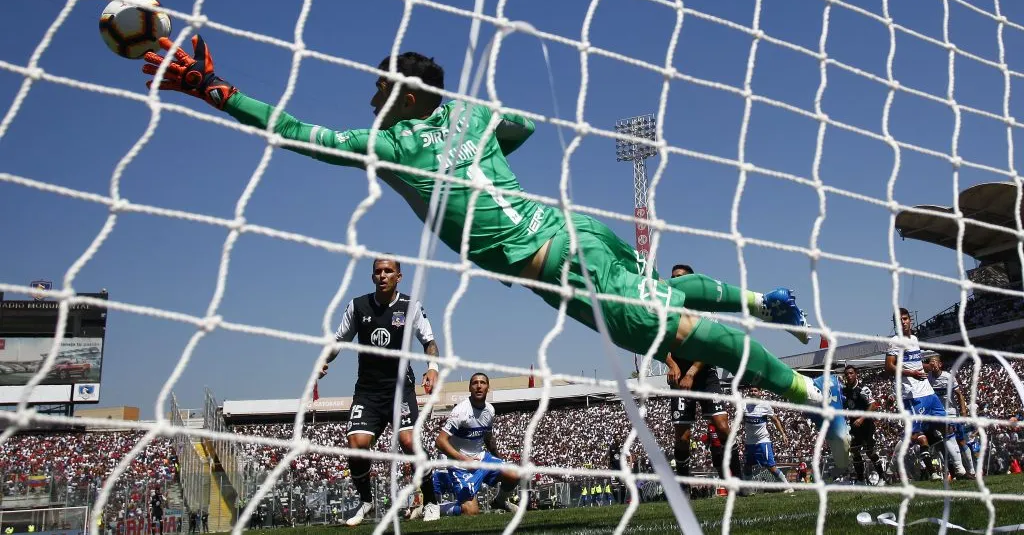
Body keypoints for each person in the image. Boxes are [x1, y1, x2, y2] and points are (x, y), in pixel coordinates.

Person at [139, 37, 824, 407]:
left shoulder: (392, 146)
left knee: (668, 333)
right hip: (565, 233)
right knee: (663, 298)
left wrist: (213, 89)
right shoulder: (471, 111)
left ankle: (808, 390)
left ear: (406, 92)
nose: (371, 97)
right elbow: (522, 126)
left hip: (553, 257)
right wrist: (483, 154)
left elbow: (297, 131)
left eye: (379, 87)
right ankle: (765, 299)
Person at [319, 257, 441, 526]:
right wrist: (325, 359)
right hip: (368, 392)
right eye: (378, 271)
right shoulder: (358, 305)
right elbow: (340, 339)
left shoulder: (410, 306)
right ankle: (366, 502)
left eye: (388, 271)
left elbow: (429, 341)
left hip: (400, 389)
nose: (383, 275)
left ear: (399, 276)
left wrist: (432, 367)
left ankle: (431, 499)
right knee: (357, 446)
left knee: (410, 442)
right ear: (373, 277)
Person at [665, 263, 743, 495]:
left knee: (721, 427)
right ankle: (684, 487)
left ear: (691, 282)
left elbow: (710, 346)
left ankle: (736, 480)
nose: (675, 281)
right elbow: (659, 340)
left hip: (705, 372)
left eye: (680, 278)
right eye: (673, 277)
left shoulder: (706, 311)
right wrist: (671, 365)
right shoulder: (666, 307)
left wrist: (691, 372)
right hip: (680, 373)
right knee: (682, 436)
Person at [422, 373, 519, 521]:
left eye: (483, 383)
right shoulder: (460, 411)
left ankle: (499, 502)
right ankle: (436, 507)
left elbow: (488, 437)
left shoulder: (490, 410)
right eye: (475, 383)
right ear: (470, 388)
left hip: (481, 459)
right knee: (471, 511)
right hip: (460, 465)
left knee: (514, 473)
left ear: (488, 388)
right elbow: (440, 441)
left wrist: (498, 459)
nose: (479, 386)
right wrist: (464, 459)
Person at [885, 308, 945, 480]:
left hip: (928, 391)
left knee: (945, 425)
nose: (903, 322)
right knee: (915, 436)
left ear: (910, 320)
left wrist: (929, 367)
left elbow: (916, 364)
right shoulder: (895, 341)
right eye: (899, 319)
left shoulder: (914, 339)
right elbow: (889, 367)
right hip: (912, 395)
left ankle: (954, 468)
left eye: (905, 318)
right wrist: (912, 374)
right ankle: (895, 470)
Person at [923, 355, 972, 479]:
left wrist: (964, 411)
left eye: (934, 362)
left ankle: (971, 470)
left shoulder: (948, 377)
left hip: (951, 413)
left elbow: (959, 394)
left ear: (940, 364)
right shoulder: (927, 379)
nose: (932, 364)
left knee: (961, 441)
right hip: (938, 414)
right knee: (943, 444)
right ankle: (954, 472)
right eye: (930, 363)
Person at [742, 388, 794, 492]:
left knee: (771, 467)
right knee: (747, 466)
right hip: (749, 442)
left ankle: (787, 487)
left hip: (762, 441)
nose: (753, 392)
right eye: (751, 391)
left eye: (755, 391)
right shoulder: (744, 405)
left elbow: (775, 420)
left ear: (760, 393)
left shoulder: (765, 405)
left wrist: (783, 434)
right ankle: (748, 490)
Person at [843, 364, 883, 484]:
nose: (849, 376)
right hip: (854, 426)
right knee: (854, 451)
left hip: (866, 425)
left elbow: (873, 405)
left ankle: (882, 477)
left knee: (870, 452)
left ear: (856, 374)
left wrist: (861, 418)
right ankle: (860, 480)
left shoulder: (863, 389)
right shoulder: (845, 390)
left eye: (851, 373)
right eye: (847, 374)